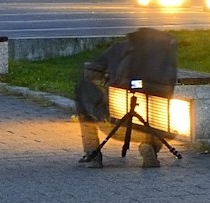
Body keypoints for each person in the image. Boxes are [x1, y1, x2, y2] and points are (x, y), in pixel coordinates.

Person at [71, 26, 187, 166]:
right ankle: (150, 146)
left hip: (117, 124)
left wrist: (107, 79)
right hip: (159, 129)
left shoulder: (119, 50)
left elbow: (91, 71)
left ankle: (92, 152)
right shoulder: (166, 58)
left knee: (81, 87)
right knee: (157, 110)